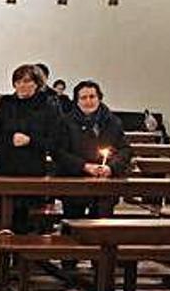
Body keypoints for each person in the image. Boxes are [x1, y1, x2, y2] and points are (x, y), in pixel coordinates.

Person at [0, 64, 60, 233]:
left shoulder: (47, 106)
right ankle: (5, 256)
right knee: (5, 218)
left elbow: (54, 140)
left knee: (26, 220)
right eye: (18, 81)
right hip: (5, 165)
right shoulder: (7, 103)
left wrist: (30, 140)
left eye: (27, 81)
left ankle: (26, 256)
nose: (21, 85)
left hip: (31, 168)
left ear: (37, 83)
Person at [55, 80, 132, 218]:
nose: (88, 101)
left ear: (99, 98)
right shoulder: (65, 122)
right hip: (75, 182)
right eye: (83, 98)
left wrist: (111, 168)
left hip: (105, 184)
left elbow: (125, 149)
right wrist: (84, 166)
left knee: (101, 228)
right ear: (76, 101)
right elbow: (59, 152)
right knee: (74, 227)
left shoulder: (113, 121)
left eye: (92, 96)